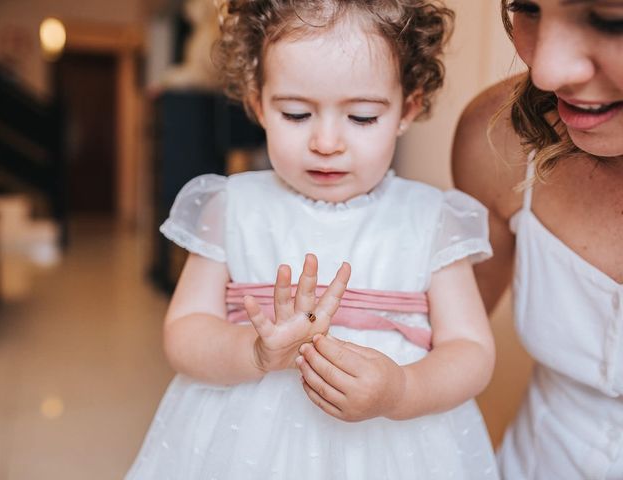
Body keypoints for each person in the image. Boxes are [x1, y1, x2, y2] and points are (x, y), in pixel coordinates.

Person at [127, 1, 499, 478]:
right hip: (246, 445)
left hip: (394, 445)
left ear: (408, 107)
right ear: (258, 102)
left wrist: (403, 389)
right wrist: (253, 353)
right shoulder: (233, 207)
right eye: (297, 113)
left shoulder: (430, 219)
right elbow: (185, 330)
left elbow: (470, 350)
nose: (326, 142)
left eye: (362, 117)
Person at [452, 0, 623, 478]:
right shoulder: (499, 141)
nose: (544, 72)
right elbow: (442, 339)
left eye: (611, 20)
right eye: (526, 7)